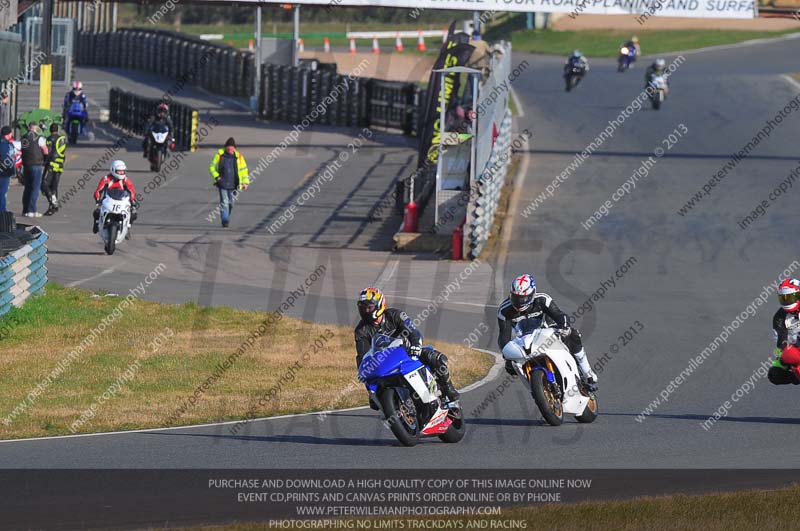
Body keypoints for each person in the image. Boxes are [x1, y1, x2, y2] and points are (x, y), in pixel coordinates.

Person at [354, 287, 460, 405]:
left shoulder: (395, 315)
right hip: (385, 364)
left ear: (379, 305)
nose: (366, 311)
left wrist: (416, 345)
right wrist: (365, 377)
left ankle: (448, 389)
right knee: (375, 396)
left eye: (369, 307)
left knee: (436, 358)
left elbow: (413, 332)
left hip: (409, 353)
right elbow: (362, 355)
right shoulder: (361, 330)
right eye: (363, 308)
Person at [497, 274, 598, 391]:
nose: (520, 302)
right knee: (511, 366)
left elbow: (559, 315)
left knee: (573, 334)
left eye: (523, 298)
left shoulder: (542, 299)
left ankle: (587, 372)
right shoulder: (504, 310)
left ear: (533, 293)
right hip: (525, 338)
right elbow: (504, 336)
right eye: (516, 298)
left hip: (549, 330)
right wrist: (507, 355)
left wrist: (564, 326)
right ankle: (538, 387)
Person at [209, 137, 249, 228]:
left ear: (234, 148)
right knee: (224, 202)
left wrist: (245, 182)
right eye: (228, 148)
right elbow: (211, 167)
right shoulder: (219, 155)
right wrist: (217, 177)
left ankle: (226, 215)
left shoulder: (239, 157)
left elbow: (244, 170)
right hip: (222, 183)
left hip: (234, 184)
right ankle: (225, 220)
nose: (230, 150)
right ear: (226, 148)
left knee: (231, 203)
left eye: (232, 148)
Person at [769, 278, 800, 385]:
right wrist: (784, 358)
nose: (787, 301)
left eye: (790, 297)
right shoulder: (779, 318)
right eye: (783, 298)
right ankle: (796, 377)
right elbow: (781, 342)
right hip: (796, 347)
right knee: (774, 374)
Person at [92, 160, 137, 234]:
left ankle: (128, 227)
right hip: (108, 200)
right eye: (119, 171)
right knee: (97, 212)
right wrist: (98, 200)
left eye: (123, 171)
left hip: (122, 201)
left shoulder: (126, 180)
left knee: (134, 213)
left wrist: (132, 201)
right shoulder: (106, 179)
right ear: (113, 170)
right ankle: (96, 223)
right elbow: (98, 191)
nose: (121, 173)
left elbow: (132, 192)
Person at [20, 122, 49, 218]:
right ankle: (32, 210)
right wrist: (45, 160)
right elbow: (45, 150)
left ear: (29, 128)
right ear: (35, 128)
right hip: (36, 165)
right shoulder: (39, 138)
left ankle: (25, 210)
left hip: (26, 165)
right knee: (35, 188)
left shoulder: (23, 137)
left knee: (27, 188)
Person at [41, 123, 67, 216]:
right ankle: (52, 208)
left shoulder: (50, 138)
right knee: (54, 186)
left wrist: (44, 161)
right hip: (60, 165)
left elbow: (47, 151)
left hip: (51, 164)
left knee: (43, 184)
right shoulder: (62, 139)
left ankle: (53, 201)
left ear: (50, 130)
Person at [0, 126, 14, 213]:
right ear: (8, 134)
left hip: (5, 172)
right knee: (2, 192)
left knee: (3, 191)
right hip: (3, 172)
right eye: (11, 133)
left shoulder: (6, 143)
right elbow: (4, 157)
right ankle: (2, 210)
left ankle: (3, 208)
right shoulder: (3, 144)